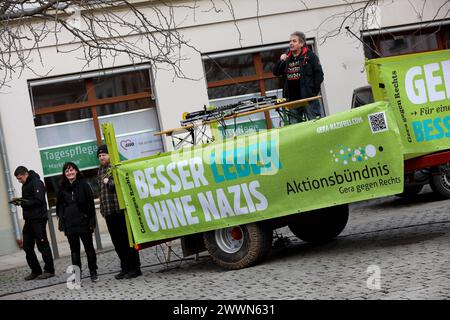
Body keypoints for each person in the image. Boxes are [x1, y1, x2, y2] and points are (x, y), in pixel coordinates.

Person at [97, 144, 142, 279]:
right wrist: (103, 210)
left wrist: (108, 182)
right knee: (117, 243)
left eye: (104, 155)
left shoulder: (114, 168)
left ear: (110, 155)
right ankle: (125, 267)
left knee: (127, 240)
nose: (101, 157)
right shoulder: (100, 171)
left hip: (120, 211)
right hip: (109, 212)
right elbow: (101, 192)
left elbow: (119, 187)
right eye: (99, 156)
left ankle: (135, 268)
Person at [56, 162, 98, 282]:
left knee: (89, 249)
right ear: (64, 174)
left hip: (83, 223)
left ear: (76, 171)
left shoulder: (84, 184)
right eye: (67, 171)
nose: (69, 173)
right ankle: (77, 275)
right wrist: (62, 221)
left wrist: (91, 221)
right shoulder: (62, 188)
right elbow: (59, 207)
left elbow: (90, 205)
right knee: (74, 251)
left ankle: (93, 272)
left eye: (71, 170)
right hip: (70, 225)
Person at [13, 166, 55, 280]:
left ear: (26, 174)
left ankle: (49, 270)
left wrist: (23, 203)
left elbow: (39, 200)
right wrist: (20, 201)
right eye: (18, 179)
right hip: (29, 219)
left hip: (38, 218)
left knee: (42, 244)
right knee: (27, 246)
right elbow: (29, 199)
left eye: (20, 178)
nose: (19, 181)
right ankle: (36, 271)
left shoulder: (37, 182)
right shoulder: (25, 185)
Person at [273, 31, 324, 123]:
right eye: (290, 41)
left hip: (308, 99)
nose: (291, 43)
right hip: (293, 100)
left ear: (301, 43)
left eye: (294, 41)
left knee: (316, 124)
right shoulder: (287, 58)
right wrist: (281, 60)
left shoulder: (310, 56)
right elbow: (276, 72)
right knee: (296, 127)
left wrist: (313, 92)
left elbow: (319, 75)